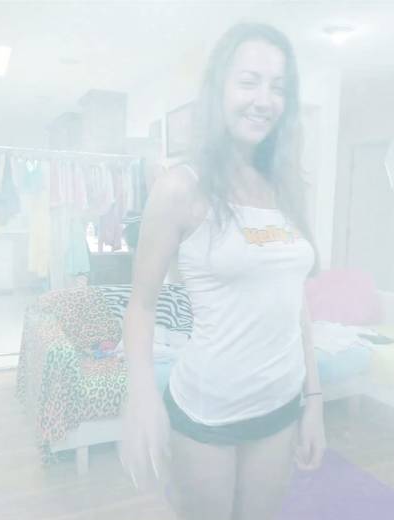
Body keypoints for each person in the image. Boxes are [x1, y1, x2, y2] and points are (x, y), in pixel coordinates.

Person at [121, 23, 326, 520]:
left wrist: (314, 399)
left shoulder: (289, 188)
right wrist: (141, 393)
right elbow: (142, 304)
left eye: (278, 87)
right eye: (249, 81)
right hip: (208, 411)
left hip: (281, 405)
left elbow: (296, 301)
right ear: (219, 89)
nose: (264, 100)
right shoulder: (180, 188)